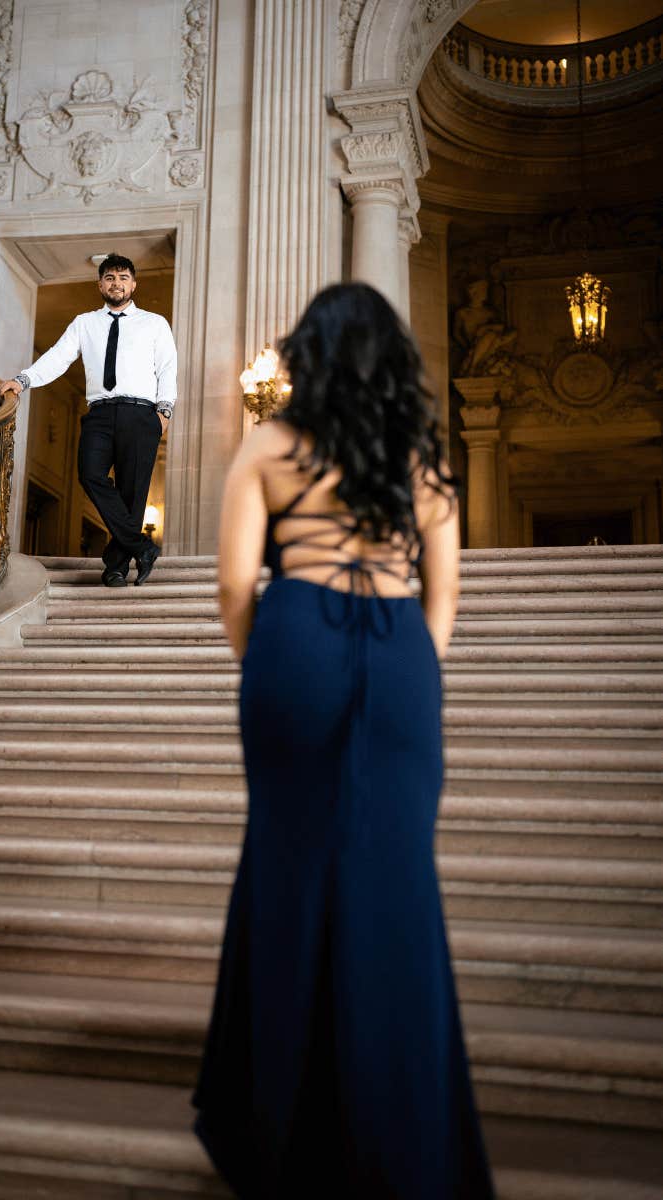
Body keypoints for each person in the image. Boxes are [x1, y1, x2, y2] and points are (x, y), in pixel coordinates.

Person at [192, 283, 494, 1199]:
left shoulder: (269, 443)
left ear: (309, 354)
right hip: (401, 648)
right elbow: (443, 603)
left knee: (285, 862)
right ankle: (402, 1130)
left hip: (293, 643)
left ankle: (275, 1125)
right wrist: (400, 665)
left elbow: (235, 589)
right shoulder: (425, 461)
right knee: (400, 874)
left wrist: (283, 660)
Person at [0, 253, 177, 586]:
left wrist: (164, 411)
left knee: (132, 493)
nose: (117, 283)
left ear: (133, 284)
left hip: (141, 413)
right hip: (100, 412)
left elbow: (167, 367)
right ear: (100, 284)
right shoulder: (85, 323)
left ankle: (116, 568)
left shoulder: (154, 323)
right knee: (89, 474)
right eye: (110, 277)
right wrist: (22, 380)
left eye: (123, 277)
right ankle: (141, 546)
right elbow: (57, 358)